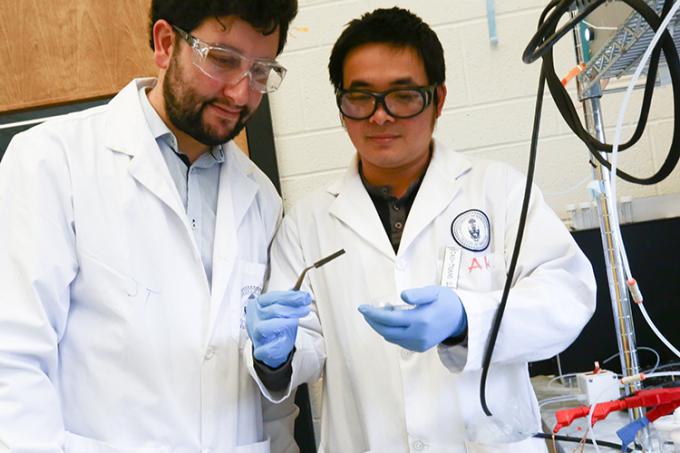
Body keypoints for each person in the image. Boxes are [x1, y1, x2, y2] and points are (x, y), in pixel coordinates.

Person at [246, 7, 597, 453]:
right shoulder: (306, 223)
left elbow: (568, 295)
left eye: (403, 95)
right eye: (360, 96)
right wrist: (274, 357)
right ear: (341, 105)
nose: (380, 116)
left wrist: (465, 320)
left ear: (439, 99)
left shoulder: (499, 190)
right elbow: (303, 348)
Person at [0, 1, 302, 452]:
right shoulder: (51, 161)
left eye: (260, 73)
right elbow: (12, 359)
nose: (241, 94)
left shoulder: (261, 199)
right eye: (222, 60)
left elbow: (272, 407)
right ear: (165, 44)